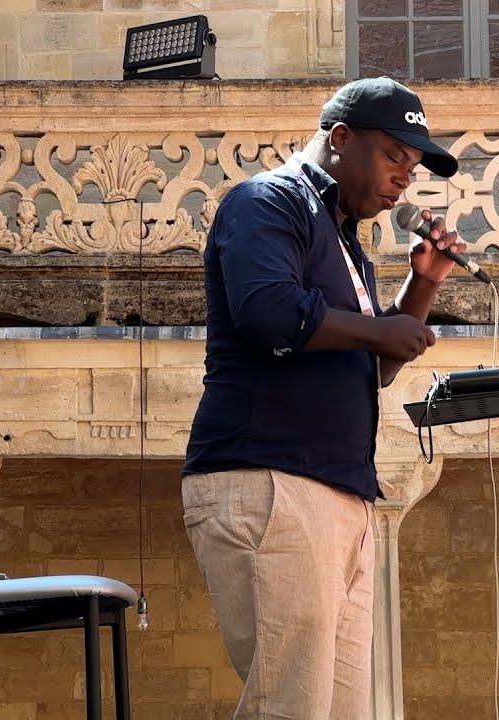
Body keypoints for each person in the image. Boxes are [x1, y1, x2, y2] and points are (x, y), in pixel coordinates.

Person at [180, 77, 464, 720]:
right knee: (290, 707)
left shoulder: (347, 245)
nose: (404, 181)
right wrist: (382, 327)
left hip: (337, 494)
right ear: (340, 138)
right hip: (272, 479)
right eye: (395, 156)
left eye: (413, 168)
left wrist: (421, 287)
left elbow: (375, 368)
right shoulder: (267, 201)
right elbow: (268, 312)